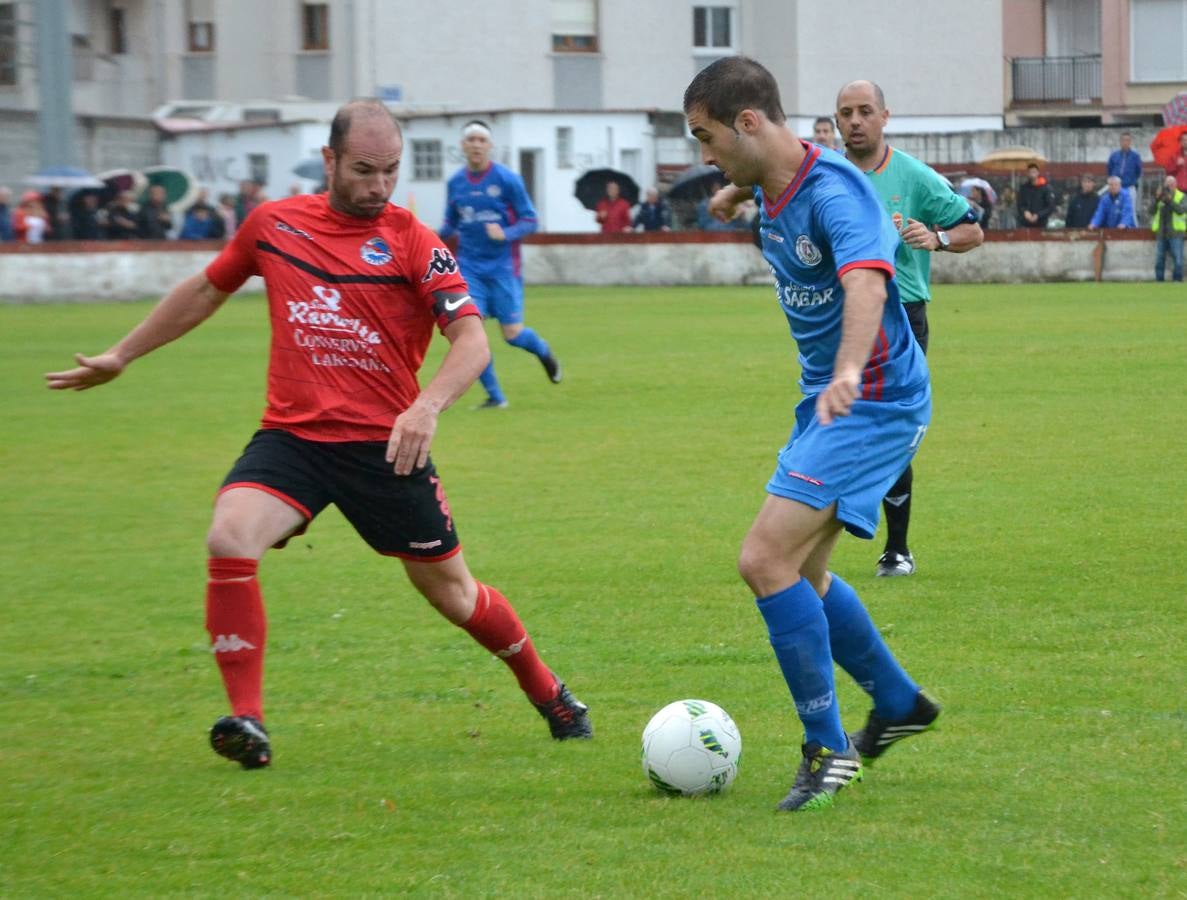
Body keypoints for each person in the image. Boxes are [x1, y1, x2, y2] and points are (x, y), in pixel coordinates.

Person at [45, 98, 592, 770]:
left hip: (385, 447)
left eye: (389, 171)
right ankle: (247, 719)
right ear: (329, 160)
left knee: (452, 593)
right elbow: (206, 290)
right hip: (294, 441)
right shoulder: (273, 226)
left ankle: (549, 692)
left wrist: (426, 406)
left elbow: (471, 341)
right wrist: (122, 355)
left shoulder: (414, 240)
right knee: (229, 536)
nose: (378, 185)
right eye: (363, 170)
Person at [685, 57, 939, 813]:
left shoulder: (836, 194)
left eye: (707, 138)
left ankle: (827, 750)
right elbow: (767, 181)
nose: (704, 157)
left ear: (749, 123)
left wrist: (849, 368)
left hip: (872, 400)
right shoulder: (778, 178)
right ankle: (896, 701)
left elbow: (866, 279)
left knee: (763, 558)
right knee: (805, 574)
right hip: (828, 402)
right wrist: (734, 190)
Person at [835, 79, 983, 578]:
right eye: (845, 112)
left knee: (890, 431)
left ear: (884, 116)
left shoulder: (914, 177)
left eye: (864, 111)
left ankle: (897, 549)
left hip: (901, 318)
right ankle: (814, 537)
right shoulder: (824, 174)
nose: (854, 121)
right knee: (833, 425)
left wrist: (938, 237)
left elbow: (973, 229)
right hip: (838, 318)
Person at [439, 120, 562, 409]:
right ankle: (496, 397)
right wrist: (425, 234)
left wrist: (506, 233)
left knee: (513, 335)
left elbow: (530, 219)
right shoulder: (455, 183)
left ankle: (544, 352)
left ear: (490, 146)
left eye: (482, 140)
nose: (476, 145)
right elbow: (450, 223)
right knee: (470, 336)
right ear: (463, 146)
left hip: (504, 268)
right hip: (468, 268)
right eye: (471, 140)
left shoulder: (507, 180)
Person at [1150, 174, 1186, 282]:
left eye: (1171, 184)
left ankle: (1177, 280)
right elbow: (1151, 211)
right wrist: (1156, 199)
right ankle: (1159, 281)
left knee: (1178, 259)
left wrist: (1170, 200)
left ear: (1176, 185)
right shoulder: (1160, 197)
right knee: (1159, 260)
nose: (1169, 187)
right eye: (1167, 184)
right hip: (1161, 232)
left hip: (1176, 232)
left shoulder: (1182, 196)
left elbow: (1181, 210)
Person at [1106, 131, 1142, 208]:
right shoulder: (1114, 155)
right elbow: (1109, 169)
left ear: (1130, 142)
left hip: (1129, 188)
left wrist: (1132, 180)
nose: (1125, 142)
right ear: (1120, 142)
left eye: (1127, 140)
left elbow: (1138, 171)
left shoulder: (1135, 156)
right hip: (1115, 188)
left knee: (1130, 210)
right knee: (1115, 210)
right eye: (1123, 140)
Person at [1017, 163, 1055, 229]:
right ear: (1027, 173)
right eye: (1030, 172)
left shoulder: (1046, 188)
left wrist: (1038, 215)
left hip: (1041, 224)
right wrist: (1024, 212)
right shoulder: (1024, 188)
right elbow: (1020, 204)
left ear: (1038, 173)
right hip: (1025, 224)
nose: (1032, 174)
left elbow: (1050, 207)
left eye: (1034, 172)